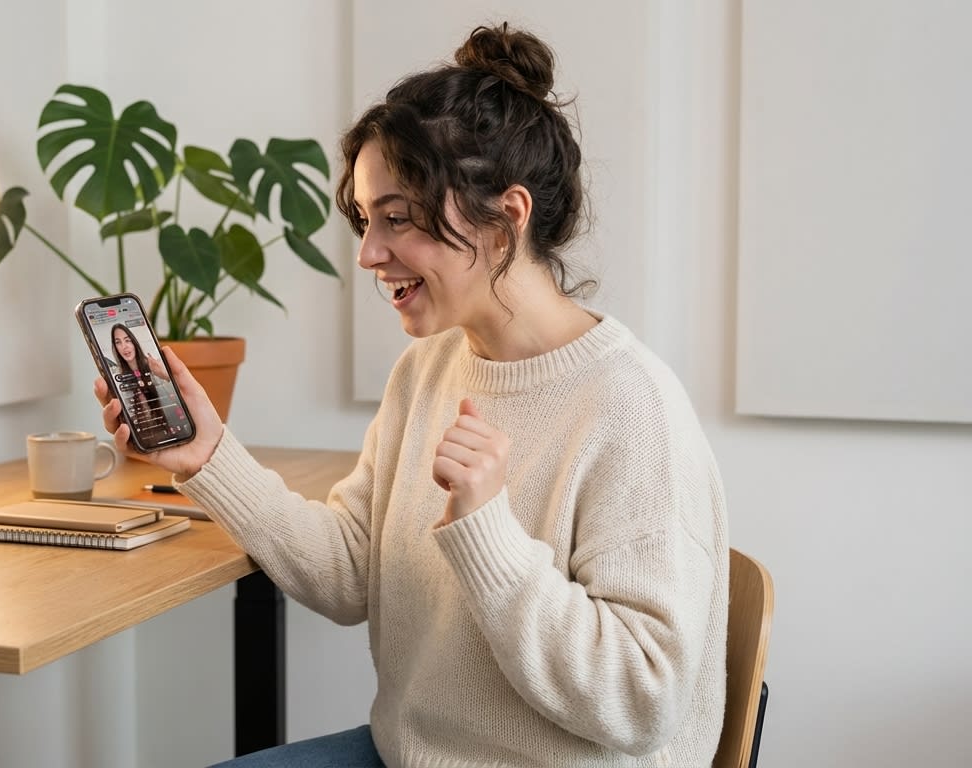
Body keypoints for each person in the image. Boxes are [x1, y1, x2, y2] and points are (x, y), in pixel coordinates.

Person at [93, 23, 728, 768]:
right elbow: (347, 575)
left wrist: (488, 531)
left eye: (397, 219)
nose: (367, 253)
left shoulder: (632, 406)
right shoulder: (428, 370)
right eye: (366, 221)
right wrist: (208, 457)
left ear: (506, 220)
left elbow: (643, 699)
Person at [107, 322, 175, 441]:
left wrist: (164, 375)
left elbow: (174, 400)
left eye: (127, 340)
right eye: (118, 342)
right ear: (115, 348)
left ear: (134, 342)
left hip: (169, 429)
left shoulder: (155, 366)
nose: (124, 346)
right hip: (144, 437)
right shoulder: (118, 379)